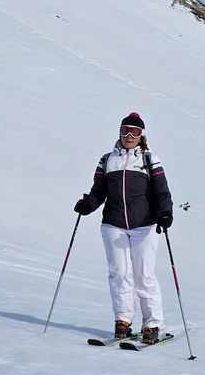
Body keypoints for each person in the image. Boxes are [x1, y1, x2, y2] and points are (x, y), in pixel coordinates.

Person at [73, 112, 174, 344]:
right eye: (125, 130)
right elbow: (98, 191)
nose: (129, 135)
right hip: (113, 223)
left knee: (144, 275)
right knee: (119, 274)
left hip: (144, 225)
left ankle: (152, 324)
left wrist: (165, 212)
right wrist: (89, 204)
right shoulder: (107, 160)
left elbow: (161, 191)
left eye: (134, 131)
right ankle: (123, 320)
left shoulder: (150, 160)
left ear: (141, 135)